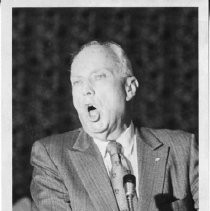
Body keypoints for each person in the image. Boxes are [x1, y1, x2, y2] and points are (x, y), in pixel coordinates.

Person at [30, 41, 198, 211]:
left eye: (98, 76)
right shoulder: (51, 156)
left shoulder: (184, 149)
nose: (86, 90)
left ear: (129, 88)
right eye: (77, 82)